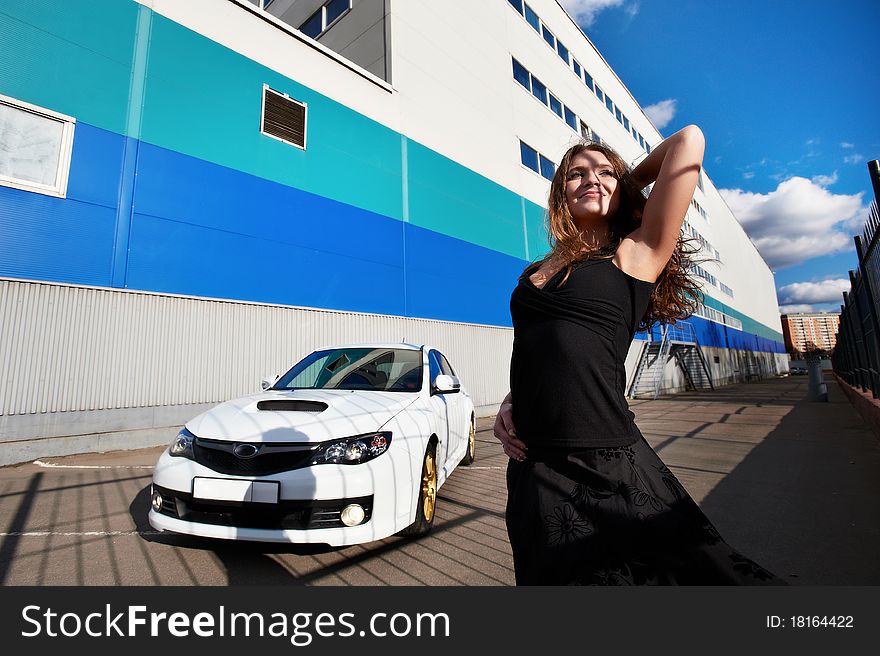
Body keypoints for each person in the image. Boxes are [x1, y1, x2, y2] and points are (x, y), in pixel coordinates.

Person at [494, 126, 786, 585]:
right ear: (559, 195)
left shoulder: (636, 253)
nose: (592, 179)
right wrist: (513, 404)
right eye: (577, 175)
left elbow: (688, 141)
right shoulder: (536, 270)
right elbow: (544, 350)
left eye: (604, 172)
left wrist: (622, 178)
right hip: (532, 466)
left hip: (606, 465)